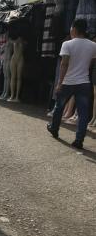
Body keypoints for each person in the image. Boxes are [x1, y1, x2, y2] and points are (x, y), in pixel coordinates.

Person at [47, 19, 96, 149]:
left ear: (74, 29)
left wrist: (59, 82)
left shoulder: (67, 44)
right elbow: (90, 63)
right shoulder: (93, 45)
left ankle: (54, 128)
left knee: (59, 107)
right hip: (84, 82)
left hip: (68, 82)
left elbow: (64, 64)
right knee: (83, 112)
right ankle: (79, 140)